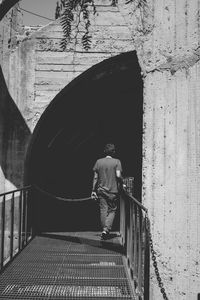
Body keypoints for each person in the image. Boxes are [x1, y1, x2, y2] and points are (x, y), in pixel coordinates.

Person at [91, 143, 124, 240]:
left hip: (101, 190)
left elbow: (95, 177)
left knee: (103, 210)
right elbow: (118, 175)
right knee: (112, 210)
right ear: (113, 152)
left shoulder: (98, 162)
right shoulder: (117, 162)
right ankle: (106, 230)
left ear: (105, 151)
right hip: (113, 191)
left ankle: (104, 229)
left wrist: (93, 190)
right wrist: (123, 182)